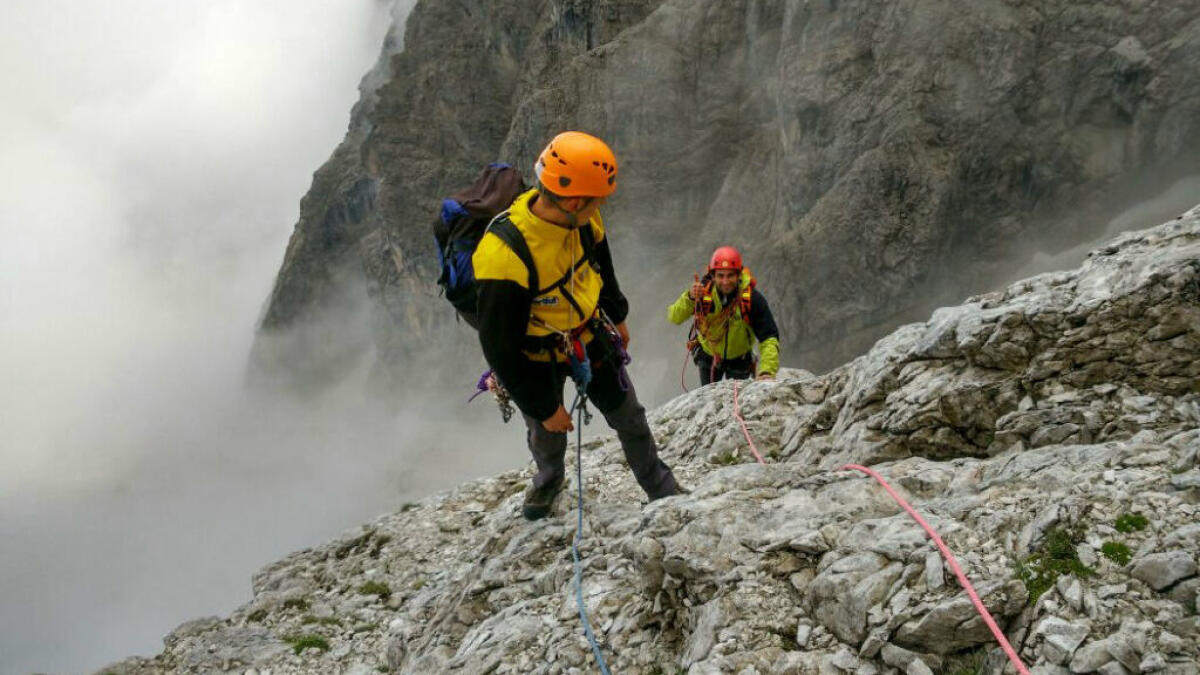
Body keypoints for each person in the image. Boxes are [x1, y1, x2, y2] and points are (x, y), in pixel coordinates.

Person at [472, 131, 684, 520]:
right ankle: (548, 482)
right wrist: (544, 405)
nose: (602, 206)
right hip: (534, 355)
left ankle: (661, 487)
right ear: (573, 200)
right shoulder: (505, 255)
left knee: (630, 417)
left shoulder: (584, 219)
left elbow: (601, 263)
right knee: (547, 435)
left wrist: (617, 315)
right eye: (598, 199)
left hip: (589, 334)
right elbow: (500, 347)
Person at [667, 246, 780, 384]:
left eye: (730, 275)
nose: (725, 281)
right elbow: (674, 316)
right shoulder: (702, 294)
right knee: (709, 399)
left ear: (738, 275)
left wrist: (767, 371)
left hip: (740, 358)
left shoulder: (751, 300)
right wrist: (689, 298)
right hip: (709, 356)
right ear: (712, 276)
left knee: (738, 402)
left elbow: (769, 337)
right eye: (720, 276)